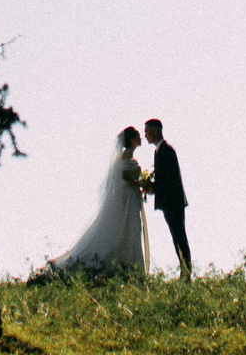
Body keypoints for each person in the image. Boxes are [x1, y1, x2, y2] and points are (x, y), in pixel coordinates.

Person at [40, 126, 148, 275]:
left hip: (130, 195)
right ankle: (128, 267)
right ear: (131, 139)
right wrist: (139, 184)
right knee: (130, 228)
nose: (140, 138)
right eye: (137, 135)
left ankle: (129, 267)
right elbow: (124, 175)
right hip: (128, 196)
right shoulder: (127, 154)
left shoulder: (127, 155)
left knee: (131, 228)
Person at [144, 117, 190, 278]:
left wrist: (153, 187)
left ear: (155, 131)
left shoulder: (167, 150)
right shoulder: (159, 151)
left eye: (147, 131)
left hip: (173, 202)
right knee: (176, 236)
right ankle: (185, 271)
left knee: (179, 236)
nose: (145, 135)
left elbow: (168, 179)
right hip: (169, 202)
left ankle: (186, 273)